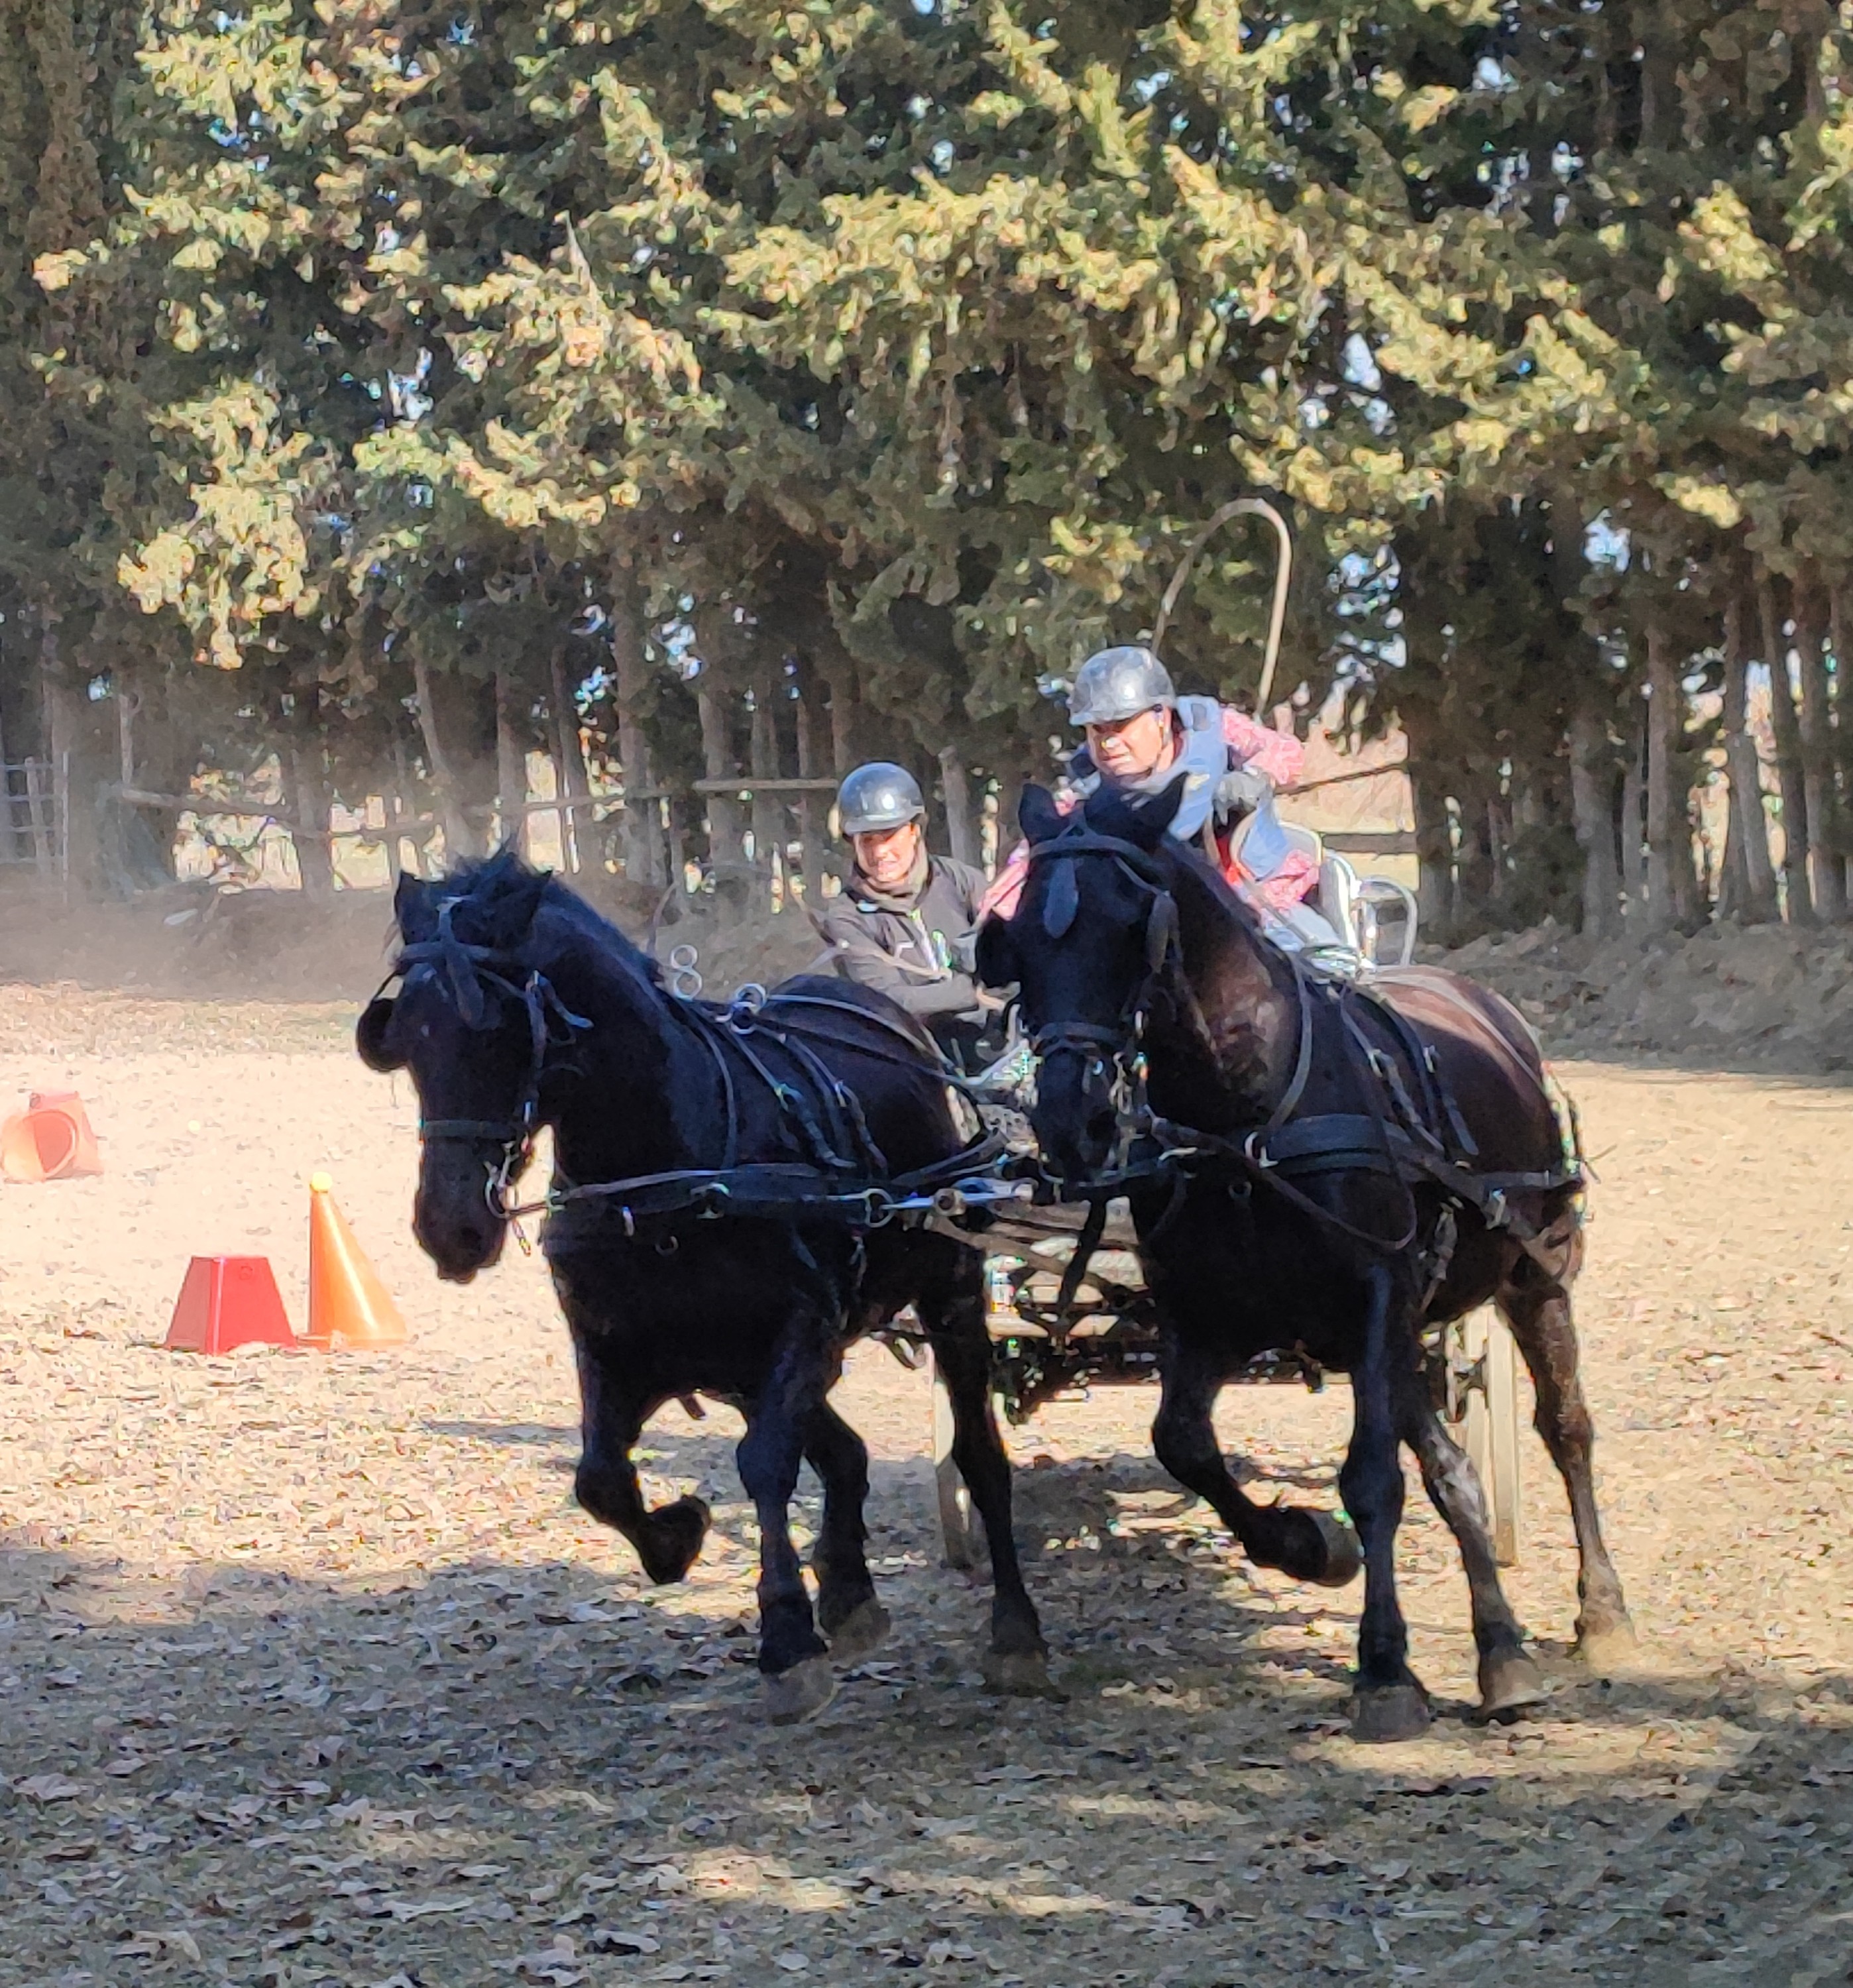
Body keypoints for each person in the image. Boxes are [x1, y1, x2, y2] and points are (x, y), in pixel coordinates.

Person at [982, 645, 1348, 954]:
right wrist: (989, 922)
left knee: (1326, 971)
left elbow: (1285, 750)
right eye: (1098, 730)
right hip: (1164, 927)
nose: (1109, 743)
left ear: (1161, 716)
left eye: (1121, 725)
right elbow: (1029, 860)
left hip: (1265, 900)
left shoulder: (1211, 725)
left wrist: (1255, 777)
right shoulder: (1083, 792)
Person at [818, 761, 992, 1065]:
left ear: (914, 830)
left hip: (996, 1044)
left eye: (888, 835)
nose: (879, 852)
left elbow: (1011, 961)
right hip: (914, 1061)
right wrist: (973, 992)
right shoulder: (847, 917)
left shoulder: (963, 882)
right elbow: (889, 1001)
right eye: (867, 840)